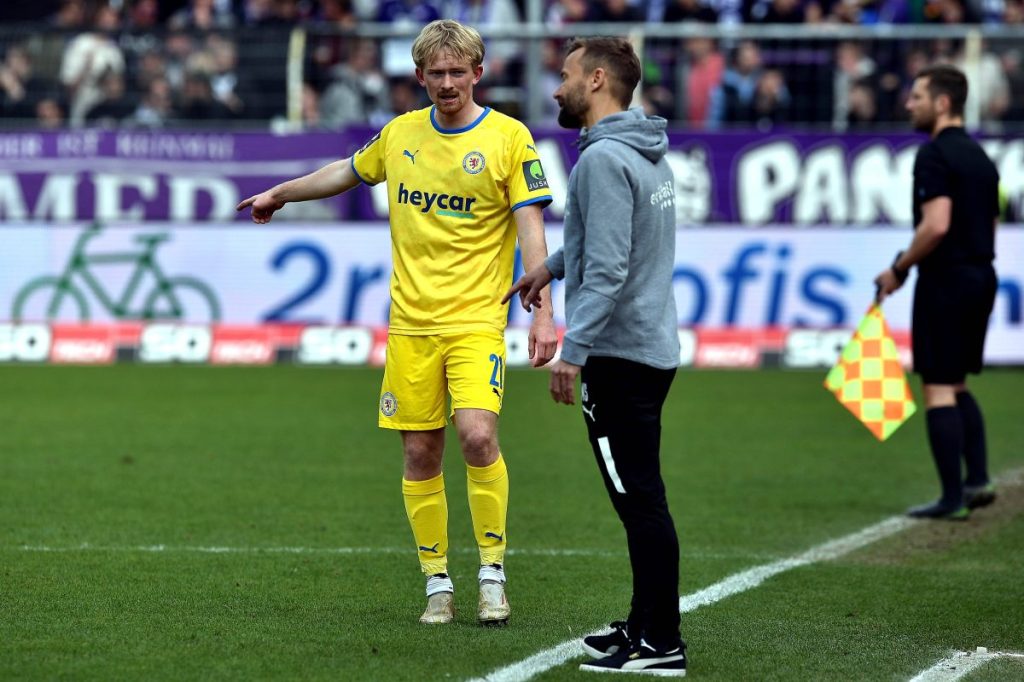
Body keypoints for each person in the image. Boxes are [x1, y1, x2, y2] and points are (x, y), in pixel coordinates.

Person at [237, 19, 557, 625]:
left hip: (475, 321)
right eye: (434, 73)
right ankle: (438, 582)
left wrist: (544, 313)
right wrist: (280, 193)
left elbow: (531, 227)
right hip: (411, 325)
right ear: (418, 77)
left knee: (479, 437)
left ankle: (492, 574)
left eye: (457, 72)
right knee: (420, 451)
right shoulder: (401, 134)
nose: (446, 83)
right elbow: (344, 172)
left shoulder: (509, 140)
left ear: (477, 74)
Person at [504, 37, 686, 676]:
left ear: (598, 80)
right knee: (640, 497)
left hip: (618, 355)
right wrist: (548, 269)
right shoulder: (644, 149)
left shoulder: (603, 161)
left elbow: (608, 270)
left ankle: (662, 642)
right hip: (650, 346)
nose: (557, 88)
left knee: (639, 500)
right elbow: (611, 243)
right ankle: (642, 626)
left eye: (566, 75)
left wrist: (571, 353)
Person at [874, 64, 1000, 520]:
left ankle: (951, 499)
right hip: (982, 274)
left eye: (918, 97)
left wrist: (899, 269)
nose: (909, 104)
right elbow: (991, 223)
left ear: (943, 103)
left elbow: (937, 224)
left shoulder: (933, 156)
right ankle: (978, 479)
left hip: (946, 279)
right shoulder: (982, 158)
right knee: (958, 382)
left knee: (938, 389)